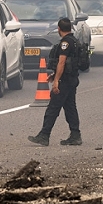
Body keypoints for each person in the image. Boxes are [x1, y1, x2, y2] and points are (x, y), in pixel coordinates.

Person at [28, 18, 82, 147]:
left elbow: (62, 62)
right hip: (72, 78)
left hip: (65, 81)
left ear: (59, 29)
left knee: (53, 108)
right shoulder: (74, 41)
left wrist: (56, 81)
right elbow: (69, 63)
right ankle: (75, 135)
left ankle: (44, 135)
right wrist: (55, 75)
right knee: (70, 108)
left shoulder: (65, 43)